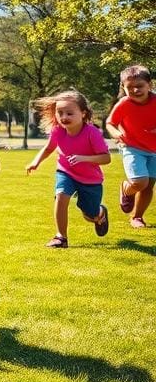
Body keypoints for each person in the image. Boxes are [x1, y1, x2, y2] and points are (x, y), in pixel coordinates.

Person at [26, 91, 111, 247]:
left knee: (89, 214)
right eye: (60, 113)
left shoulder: (92, 133)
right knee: (61, 196)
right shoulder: (57, 130)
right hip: (66, 172)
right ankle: (61, 237)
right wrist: (35, 162)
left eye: (69, 113)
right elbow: (48, 148)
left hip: (90, 179)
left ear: (83, 113)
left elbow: (106, 158)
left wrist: (83, 158)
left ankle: (99, 213)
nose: (64, 117)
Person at [106, 65, 156, 229]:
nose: (135, 90)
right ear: (123, 88)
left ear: (150, 85)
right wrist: (115, 133)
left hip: (154, 150)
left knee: (148, 186)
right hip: (132, 147)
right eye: (130, 87)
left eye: (140, 86)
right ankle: (127, 189)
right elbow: (110, 123)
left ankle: (137, 217)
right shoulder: (124, 104)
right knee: (140, 182)